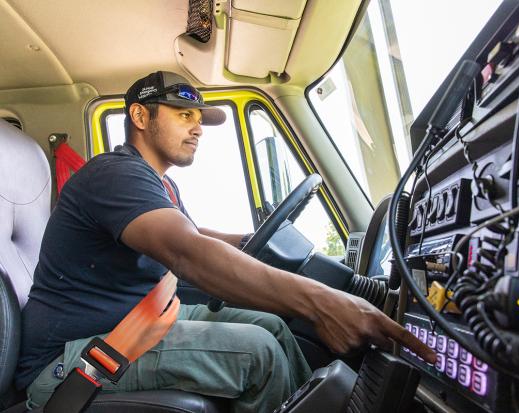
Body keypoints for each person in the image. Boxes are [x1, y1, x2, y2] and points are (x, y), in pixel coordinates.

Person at [16, 71, 435, 412]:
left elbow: (196, 235)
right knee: (258, 353)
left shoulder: (159, 186)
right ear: (140, 117)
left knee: (271, 326)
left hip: (137, 324)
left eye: (198, 117)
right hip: (75, 358)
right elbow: (188, 252)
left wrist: (254, 239)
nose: (198, 126)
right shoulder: (114, 174)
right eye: (183, 114)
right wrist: (322, 302)